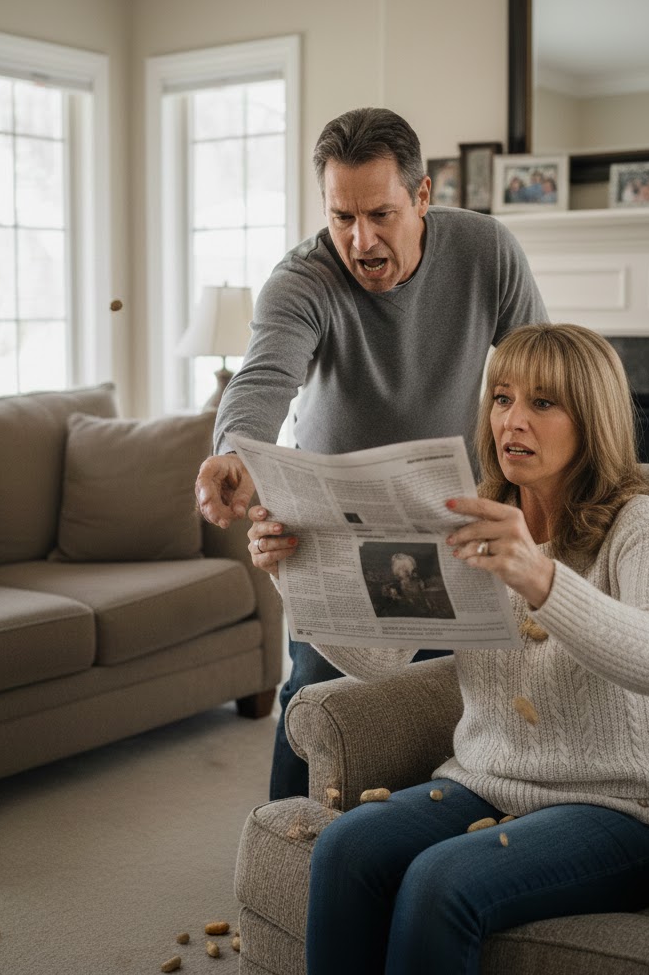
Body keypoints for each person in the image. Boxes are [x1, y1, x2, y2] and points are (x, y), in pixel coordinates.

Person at [247, 323, 649, 974]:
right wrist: (290, 576)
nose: (514, 419)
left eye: (543, 403)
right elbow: (382, 662)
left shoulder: (641, 524)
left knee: (440, 880)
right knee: (344, 846)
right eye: (502, 397)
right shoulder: (468, 518)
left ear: (591, 419)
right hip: (484, 782)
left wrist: (538, 578)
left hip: (624, 811)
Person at [194, 106, 548, 801]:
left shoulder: (487, 252)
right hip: (333, 531)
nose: (361, 240)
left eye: (381, 214)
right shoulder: (302, 278)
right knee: (318, 706)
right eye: (341, 218)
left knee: (451, 705)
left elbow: (545, 369)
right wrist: (235, 452)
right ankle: (287, 854)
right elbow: (263, 379)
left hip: (452, 520)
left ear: (422, 197)